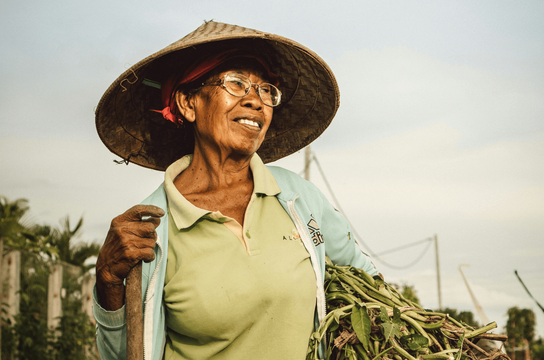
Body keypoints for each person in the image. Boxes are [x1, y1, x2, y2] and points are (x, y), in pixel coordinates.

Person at [93, 21, 378, 360]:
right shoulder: (153, 229)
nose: (256, 101)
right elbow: (126, 354)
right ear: (187, 103)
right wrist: (109, 280)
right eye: (236, 83)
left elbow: (369, 284)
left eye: (266, 90)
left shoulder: (298, 198)